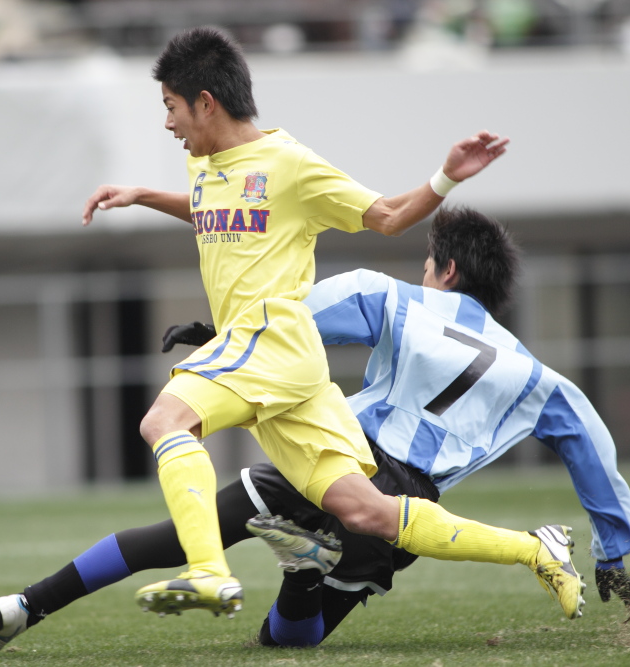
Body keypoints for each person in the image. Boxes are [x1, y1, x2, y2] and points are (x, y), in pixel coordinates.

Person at [72, 25, 585, 621]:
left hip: (269, 337)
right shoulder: (204, 165)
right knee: (366, 511)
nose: (167, 124)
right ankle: (535, 550)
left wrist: (446, 177)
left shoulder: (290, 165)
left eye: (170, 108)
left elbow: (389, 217)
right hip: (292, 373)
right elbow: (216, 210)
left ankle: (209, 572)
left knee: (164, 420)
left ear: (205, 103)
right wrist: (142, 195)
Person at [0, 207, 630, 656]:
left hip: (333, 448)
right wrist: (612, 550)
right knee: (294, 638)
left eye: (429, 260)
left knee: (174, 534)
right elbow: (594, 449)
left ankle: (26, 604)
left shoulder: (397, 297)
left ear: (448, 270)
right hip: (409, 505)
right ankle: (304, 565)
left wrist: (220, 338)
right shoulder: (539, 378)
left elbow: (297, 317)